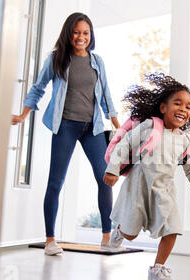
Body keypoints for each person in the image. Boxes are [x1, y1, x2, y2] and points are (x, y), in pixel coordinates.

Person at [11, 12, 120, 255]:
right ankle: (50, 240)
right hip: (66, 126)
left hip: (93, 127)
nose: (81, 37)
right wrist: (23, 115)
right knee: (55, 182)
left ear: (91, 36)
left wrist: (117, 123)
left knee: (105, 177)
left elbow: (106, 94)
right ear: (69, 33)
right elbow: (38, 88)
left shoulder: (97, 61)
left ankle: (106, 237)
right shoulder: (57, 59)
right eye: (76, 32)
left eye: (86, 33)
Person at [103, 73, 190, 280]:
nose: (183, 109)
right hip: (138, 188)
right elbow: (125, 145)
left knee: (173, 229)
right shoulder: (150, 126)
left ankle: (157, 269)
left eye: (188, 107)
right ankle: (120, 231)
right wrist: (113, 169)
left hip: (165, 191)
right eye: (177, 103)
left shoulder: (183, 140)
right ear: (163, 107)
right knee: (131, 235)